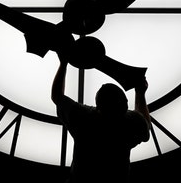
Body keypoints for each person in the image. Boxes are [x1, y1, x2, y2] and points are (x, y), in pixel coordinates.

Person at [51, 55, 151, 183]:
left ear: (98, 105)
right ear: (125, 104)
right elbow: (145, 125)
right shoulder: (130, 123)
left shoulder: (85, 119)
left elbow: (57, 97)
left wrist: (63, 63)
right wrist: (140, 93)